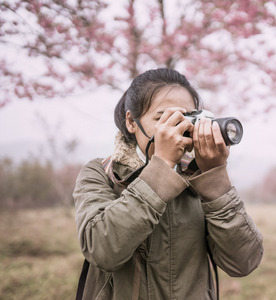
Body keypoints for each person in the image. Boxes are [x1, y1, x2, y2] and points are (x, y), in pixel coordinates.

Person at [73, 68, 264, 299]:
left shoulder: (198, 178)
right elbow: (103, 251)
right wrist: (161, 166)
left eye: (187, 117)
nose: (178, 128)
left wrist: (215, 177)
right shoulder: (103, 173)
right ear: (132, 122)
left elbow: (243, 262)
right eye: (164, 118)